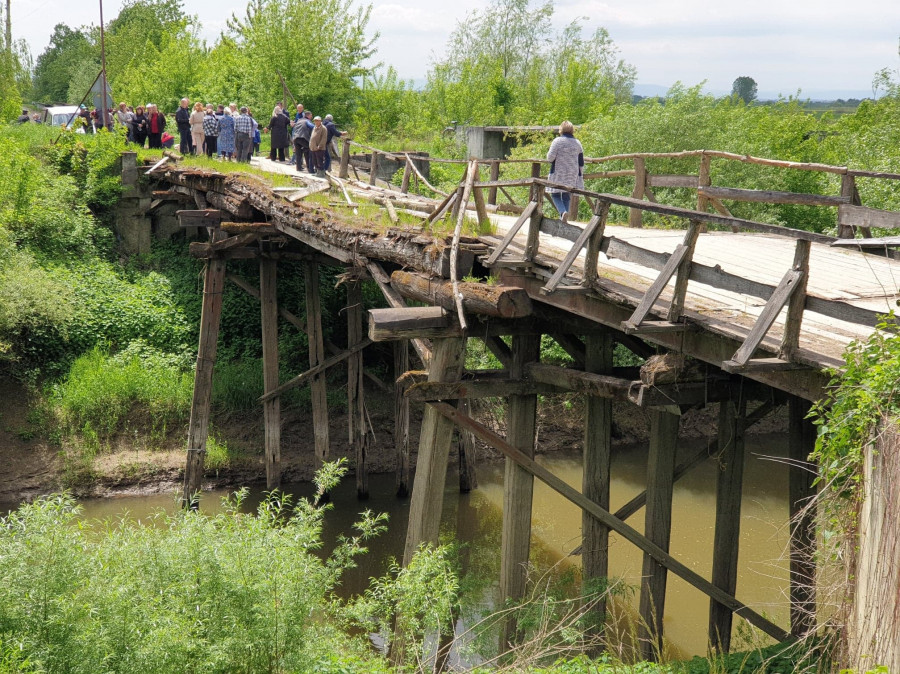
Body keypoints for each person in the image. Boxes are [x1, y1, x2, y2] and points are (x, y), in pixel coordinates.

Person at [546, 120, 584, 222]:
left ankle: (563, 212)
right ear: (572, 130)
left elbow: (550, 158)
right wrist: (580, 176)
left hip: (558, 172)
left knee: (555, 194)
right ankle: (564, 217)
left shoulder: (557, 141)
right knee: (567, 195)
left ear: (561, 129)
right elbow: (581, 162)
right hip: (573, 174)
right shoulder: (577, 143)